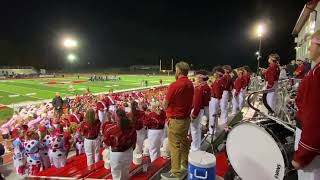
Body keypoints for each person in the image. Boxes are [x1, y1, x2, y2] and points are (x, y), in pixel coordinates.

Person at [292, 30, 320, 180]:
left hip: (311, 145)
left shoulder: (317, 74)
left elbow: (315, 120)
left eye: (312, 44)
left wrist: (302, 155)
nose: (309, 48)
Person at [161, 61, 194, 179]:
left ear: (179, 71)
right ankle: (185, 164)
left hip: (176, 119)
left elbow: (165, 104)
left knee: (174, 145)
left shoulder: (175, 85)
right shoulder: (190, 83)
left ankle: (175, 173)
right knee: (184, 141)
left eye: (175, 70)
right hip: (186, 119)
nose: (175, 72)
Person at [102, 108, 137, 180]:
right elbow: (134, 143)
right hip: (128, 153)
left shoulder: (110, 128)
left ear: (116, 116)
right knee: (125, 174)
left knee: (116, 176)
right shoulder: (131, 127)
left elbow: (106, 144)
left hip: (116, 155)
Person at [190, 71, 206, 152]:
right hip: (199, 110)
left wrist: (194, 115)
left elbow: (197, 103)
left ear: (199, 79)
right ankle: (196, 146)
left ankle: (195, 148)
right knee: (196, 129)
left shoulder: (198, 89)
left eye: (196, 78)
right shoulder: (200, 87)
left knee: (195, 129)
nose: (194, 79)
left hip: (196, 111)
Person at [208, 67, 225, 135]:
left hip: (215, 99)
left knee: (212, 115)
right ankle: (215, 128)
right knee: (214, 115)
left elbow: (217, 93)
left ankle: (212, 131)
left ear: (218, 73)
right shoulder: (218, 80)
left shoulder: (218, 81)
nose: (214, 74)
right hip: (216, 99)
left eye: (215, 72)